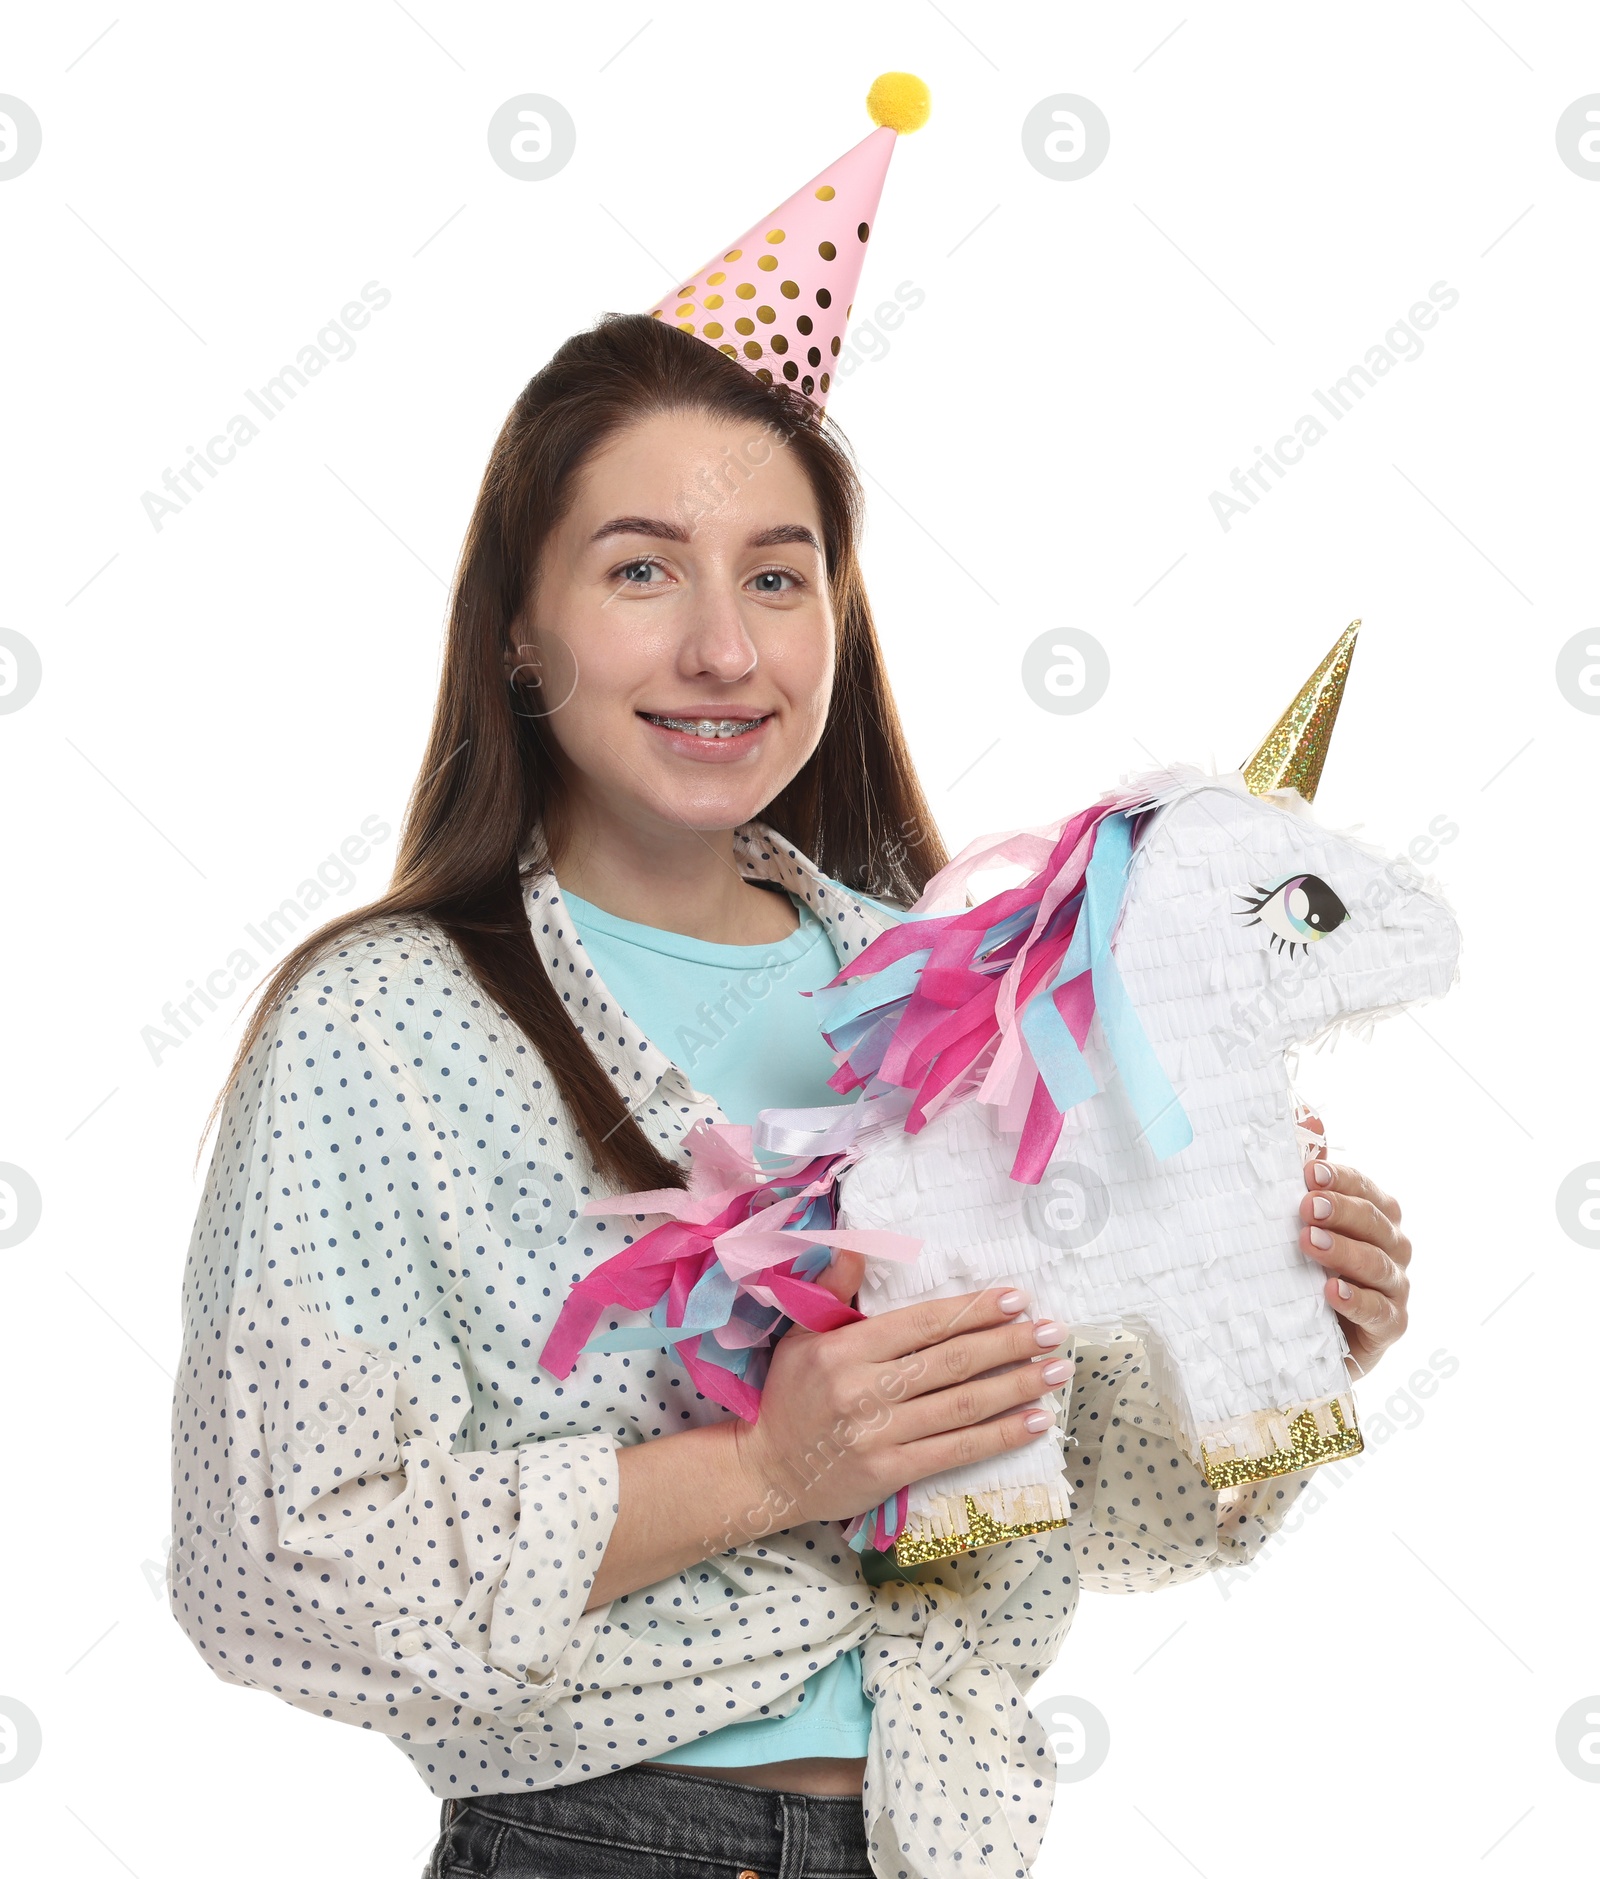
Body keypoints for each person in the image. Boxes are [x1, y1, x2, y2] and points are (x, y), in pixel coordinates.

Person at [165, 86, 1414, 1879]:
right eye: (641, 571)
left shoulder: (950, 1007)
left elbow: (1072, 1509)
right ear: (520, 631)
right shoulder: (391, 1025)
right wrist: (762, 1473)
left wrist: (1282, 1337)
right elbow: (268, 1568)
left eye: (778, 574)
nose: (723, 648)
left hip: (938, 1837)